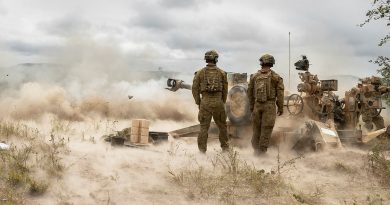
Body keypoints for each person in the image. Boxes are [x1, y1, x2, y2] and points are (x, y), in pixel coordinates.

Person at [192, 50, 229, 153]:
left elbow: (194, 89)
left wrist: (198, 102)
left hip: (205, 102)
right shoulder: (222, 73)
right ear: (216, 59)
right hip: (218, 102)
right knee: (222, 127)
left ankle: (202, 152)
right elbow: (225, 90)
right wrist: (222, 102)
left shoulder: (200, 73)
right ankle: (225, 149)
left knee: (203, 128)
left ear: (206, 59)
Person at [247, 54, 284, 155]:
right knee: (266, 130)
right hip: (270, 106)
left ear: (261, 63)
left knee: (256, 129)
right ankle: (262, 153)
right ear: (272, 63)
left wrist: (251, 106)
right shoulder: (276, 77)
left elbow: (249, 93)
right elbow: (280, 94)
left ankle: (255, 150)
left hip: (257, 105)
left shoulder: (254, 76)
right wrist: (280, 107)